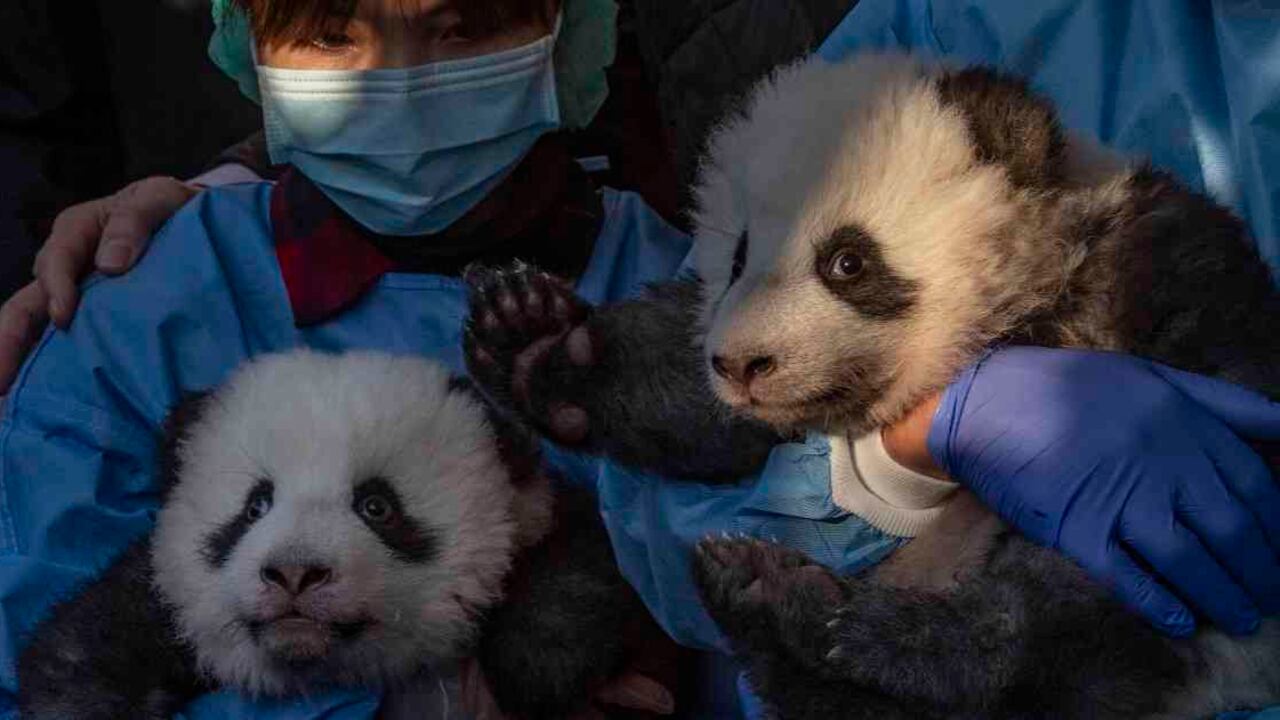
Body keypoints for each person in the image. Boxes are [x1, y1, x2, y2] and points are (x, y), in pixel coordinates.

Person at [0, 0, 1278, 718]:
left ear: (573, 39)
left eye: (462, 24)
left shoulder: (650, 269)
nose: (398, 86)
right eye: (328, 31)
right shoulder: (137, 313)